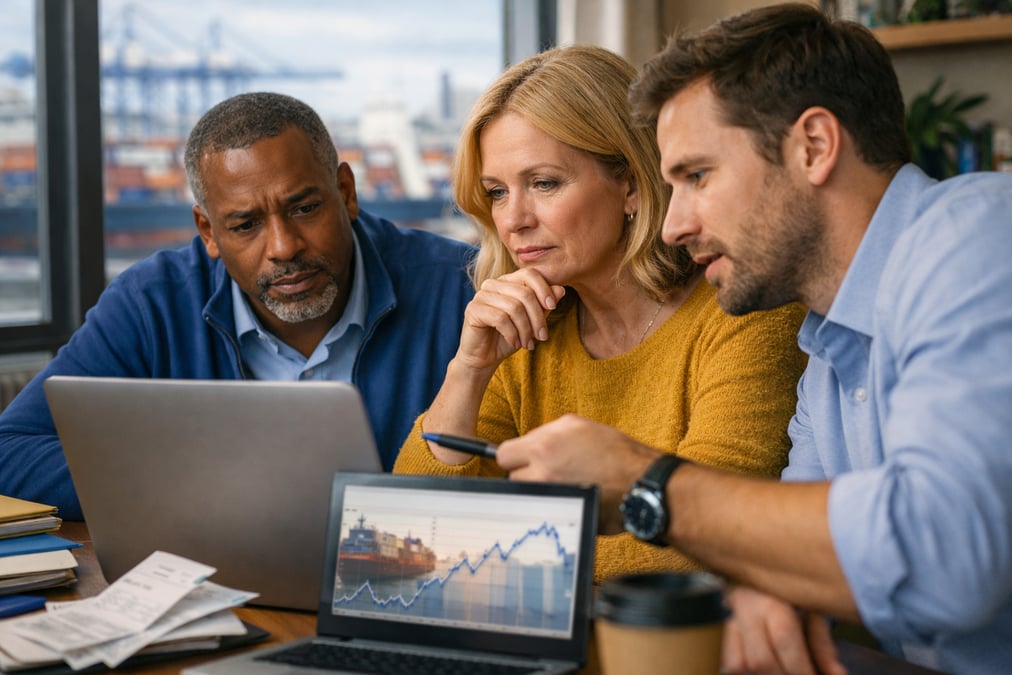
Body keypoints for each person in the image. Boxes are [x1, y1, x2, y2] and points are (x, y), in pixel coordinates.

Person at [488, 5, 1012, 675]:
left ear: (813, 146)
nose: (673, 224)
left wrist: (645, 482)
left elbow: (948, 557)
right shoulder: (828, 347)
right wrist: (766, 582)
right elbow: (786, 550)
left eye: (697, 176)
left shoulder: (975, 239)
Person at [393, 44, 807, 583]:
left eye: (543, 183)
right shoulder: (525, 333)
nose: (513, 220)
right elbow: (407, 531)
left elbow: (699, 544)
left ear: (631, 184)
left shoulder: (743, 315)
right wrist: (468, 370)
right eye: (496, 192)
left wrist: (486, 564)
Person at [0, 92, 475, 520]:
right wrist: (200, 478)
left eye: (305, 208)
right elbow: (10, 451)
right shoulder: (151, 304)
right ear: (208, 232)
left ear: (345, 193)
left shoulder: (461, 289)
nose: (284, 247)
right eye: (246, 224)